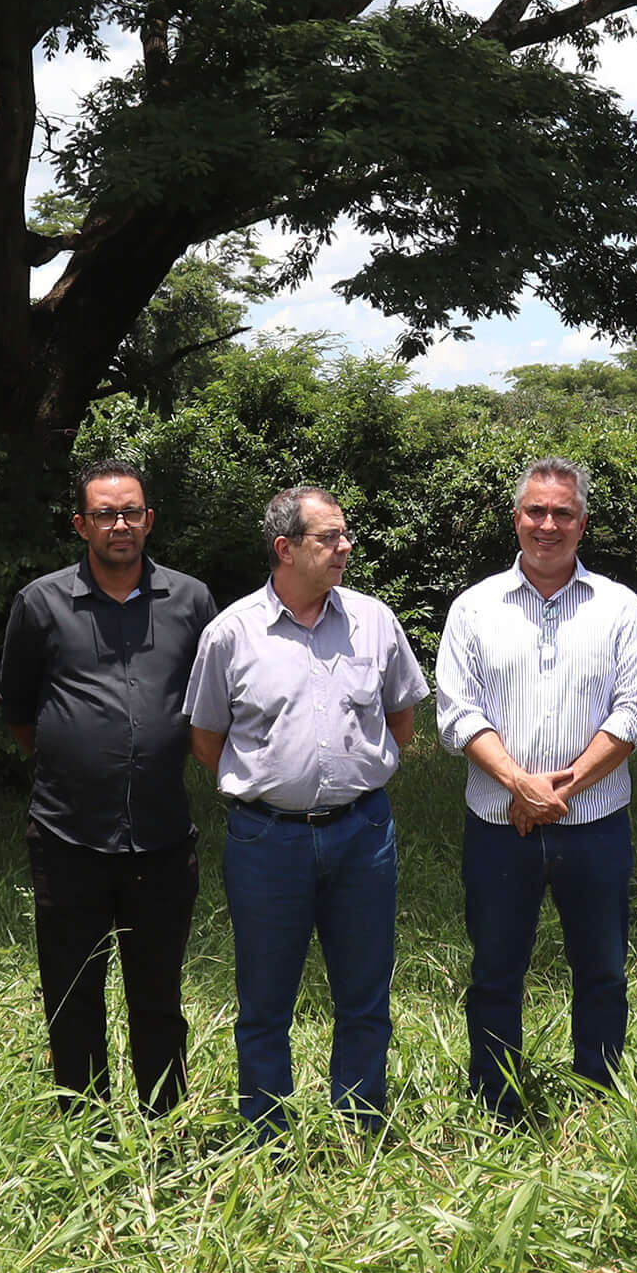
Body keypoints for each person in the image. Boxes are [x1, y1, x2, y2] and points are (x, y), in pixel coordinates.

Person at [186, 485, 430, 1135]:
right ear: (285, 548)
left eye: (347, 535)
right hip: (267, 840)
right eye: (331, 537)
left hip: (362, 832)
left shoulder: (374, 620)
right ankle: (267, 1136)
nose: (346, 547)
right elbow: (208, 739)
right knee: (264, 1002)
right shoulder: (231, 633)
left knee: (365, 996)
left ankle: (360, 1126)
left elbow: (401, 718)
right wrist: (276, 783)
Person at [433, 457, 637, 1122]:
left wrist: (558, 788)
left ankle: (598, 1097)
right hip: (499, 825)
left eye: (563, 512)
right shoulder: (474, 608)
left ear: (582, 523)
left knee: (603, 972)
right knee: (497, 972)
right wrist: (518, 783)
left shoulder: (619, 607)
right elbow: (457, 713)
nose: (548, 524)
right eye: (536, 511)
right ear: (516, 519)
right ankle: (497, 1102)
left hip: (595, 825)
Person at [0, 459, 215, 1117]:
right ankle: (84, 1135)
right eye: (104, 513)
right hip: (68, 838)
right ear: (80, 524)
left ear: (149, 519)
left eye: (131, 512)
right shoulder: (41, 603)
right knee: (73, 997)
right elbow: (22, 714)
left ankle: (165, 1126)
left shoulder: (192, 600)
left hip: (161, 836)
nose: (120, 524)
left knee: (158, 996)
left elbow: (211, 699)